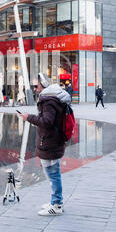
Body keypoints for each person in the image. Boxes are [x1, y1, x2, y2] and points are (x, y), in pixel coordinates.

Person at [18, 72, 71, 216]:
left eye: (36, 86)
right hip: (54, 140)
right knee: (54, 173)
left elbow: (47, 122)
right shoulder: (54, 98)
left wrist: (29, 117)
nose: (35, 89)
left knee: (53, 174)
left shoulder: (48, 101)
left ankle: (57, 205)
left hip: (51, 142)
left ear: (44, 85)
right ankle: (55, 201)